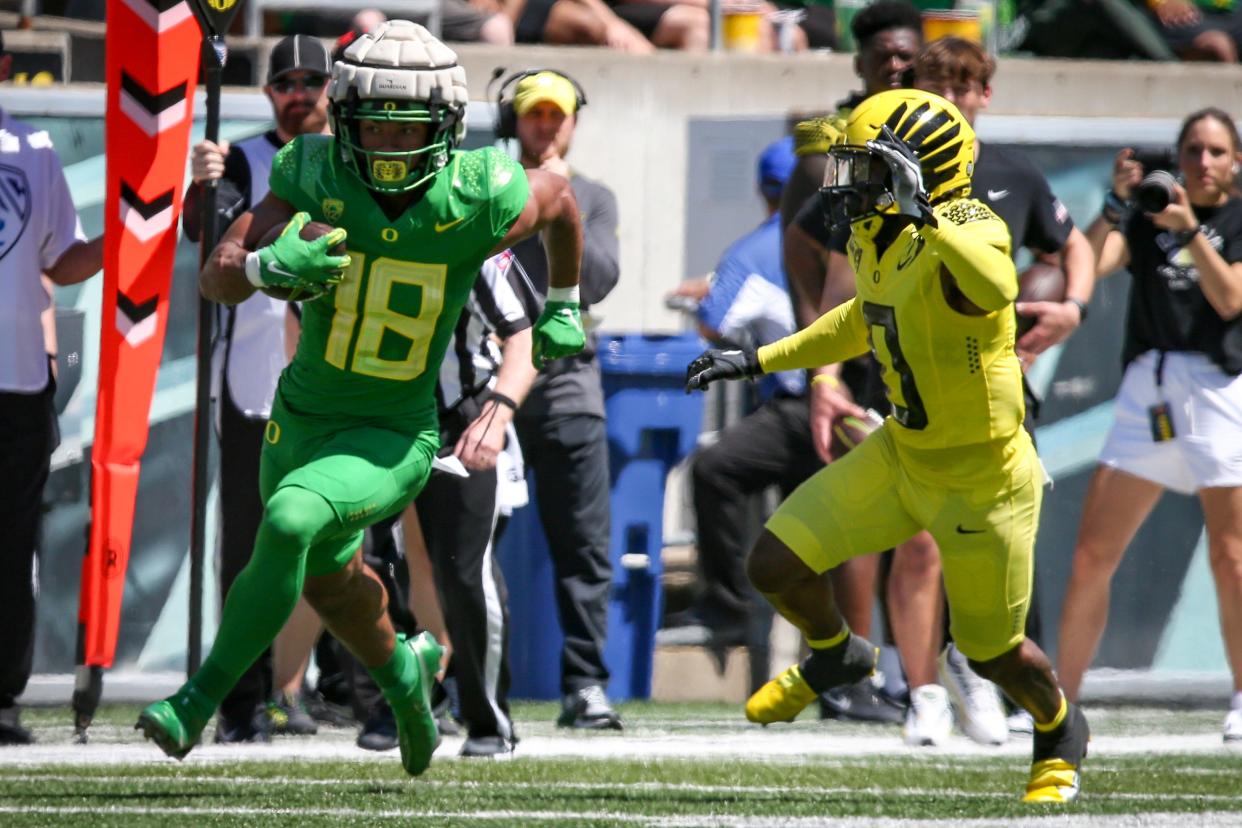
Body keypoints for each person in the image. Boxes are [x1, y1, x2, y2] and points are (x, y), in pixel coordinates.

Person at [135, 20, 586, 776]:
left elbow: (563, 198)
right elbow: (217, 274)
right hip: (300, 417)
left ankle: (198, 698)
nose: (387, 143)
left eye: (406, 127)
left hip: (392, 430)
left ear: (444, 127)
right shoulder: (310, 171)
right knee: (328, 578)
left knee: (288, 519)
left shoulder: (478, 191)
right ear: (344, 119)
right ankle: (406, 679)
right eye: (373, 123)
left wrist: (565, 302)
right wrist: (263, 266)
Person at [686, 89, 1091, 803]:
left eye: (866, 168)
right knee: (774, 564)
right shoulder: (880, 234)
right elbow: (861, 319)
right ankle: (839, 653)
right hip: (903, 452)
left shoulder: (966, 227)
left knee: (993, 655)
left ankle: (1059, 729)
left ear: (915, 172)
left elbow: (994, 282)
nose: (846, 183)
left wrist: (928, 212)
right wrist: (760, 360)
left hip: (982, 476)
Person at [911, 35, 1097, 744]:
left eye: (964, 86)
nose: (952, 98)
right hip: (914, 377)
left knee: (1002, 534)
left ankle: (996, 675)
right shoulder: (889, 171)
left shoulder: (1013, 173)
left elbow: (1069, 246)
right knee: (921, 538)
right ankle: (922, 686)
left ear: (985, 95)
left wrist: (1072, 305)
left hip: (992, 379)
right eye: (938, 84)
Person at [1056, 107, 1242, 742]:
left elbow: (1231, 298)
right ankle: (1060, 704)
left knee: (1231, 556)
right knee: (1090, 555)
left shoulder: (1235, 220)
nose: (1203, 162)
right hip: (1149, 389)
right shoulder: (1148, 213)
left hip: (1217, 388)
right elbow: (1095, 262)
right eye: (1192, 150)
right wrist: (1117, 202)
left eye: (1217, 151)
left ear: (1236, 161)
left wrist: (1190, 230)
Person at [780, 0, 932, 728]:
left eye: (909, 57)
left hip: (927, 353)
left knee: (925, 523)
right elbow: (808, 242)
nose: (897, 67)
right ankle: (854, 671)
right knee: (871, 520)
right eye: (886, 57)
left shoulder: (934, 133)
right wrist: (823, 344)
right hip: (860, 359)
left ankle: (907, 674)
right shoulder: (842, 143)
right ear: (862, 64)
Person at [182, 33, 333, 744]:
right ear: (269, 92)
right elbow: (210, 245)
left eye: (312, 80)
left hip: (338, 383)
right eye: (285, 82)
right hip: (256, 385)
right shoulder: (245, 156)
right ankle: (242, 703)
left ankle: (343, 688)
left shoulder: (354, 160)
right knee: (247, 549)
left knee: (344, 546)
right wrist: (204, 188)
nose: (298, 92)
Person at [352, 249, 540, 759]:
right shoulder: (350, 225)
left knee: (464, 571)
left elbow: (525, 334)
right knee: (368, 564)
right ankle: (407, 695)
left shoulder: (469, 237)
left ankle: (487, 716)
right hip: (377, 418)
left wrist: (497, 415)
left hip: (461, 416)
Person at [506, 70, 624, 730]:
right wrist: (525, 198)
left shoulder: (595, 195)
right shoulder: (484, 184)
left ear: (574, 121)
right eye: (533, 115)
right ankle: (466, 683)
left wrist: (556, 201)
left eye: (557, 115)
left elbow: (598, 279)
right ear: (513, 120)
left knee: (584, 547)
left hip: (565, 386)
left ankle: (584, 685)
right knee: (459, 547)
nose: (546, 126)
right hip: (489, 380)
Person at [659, 137, 807, 658]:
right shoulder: (852, 234)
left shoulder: (756, 248)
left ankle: (728, 605)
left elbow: (712, 322)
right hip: (866, 406)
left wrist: (710, 286)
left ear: (764, 190)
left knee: (714, 470)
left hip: (805, 410)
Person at [0, 30, 104, 744]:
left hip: (16, 379)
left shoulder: (33, 149)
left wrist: (126, 238)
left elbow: (61, 260)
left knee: (10, 549)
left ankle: (2, 696)